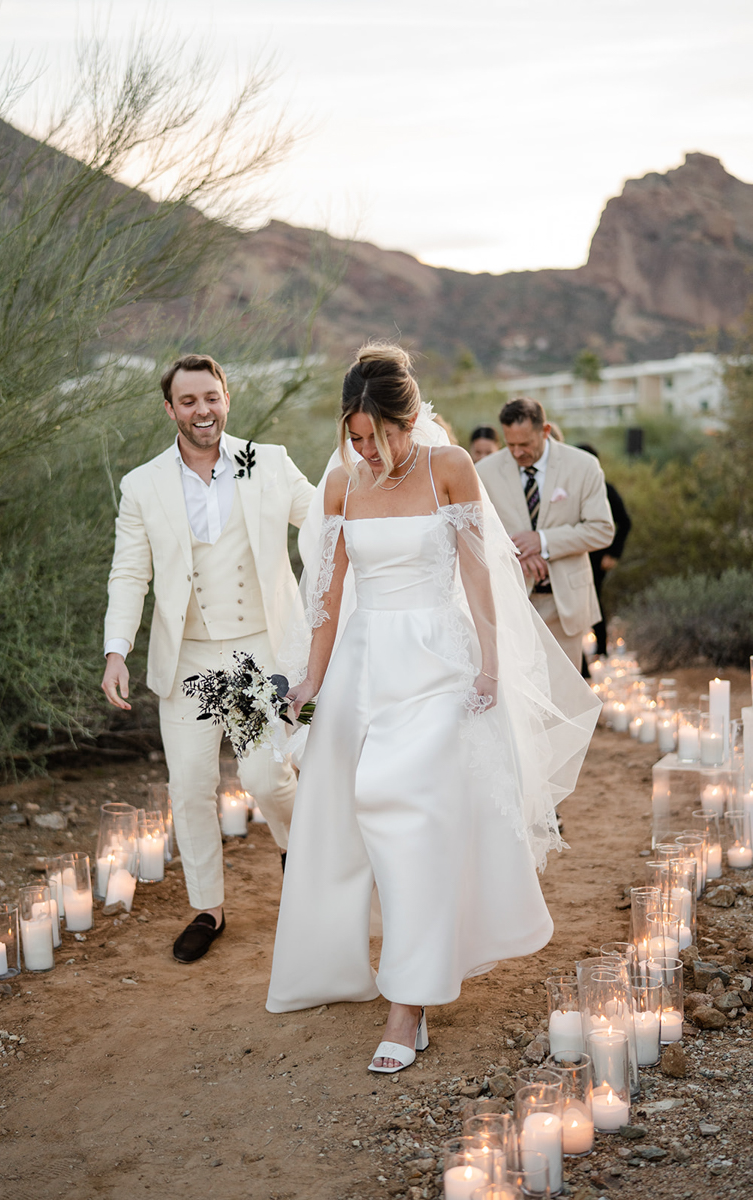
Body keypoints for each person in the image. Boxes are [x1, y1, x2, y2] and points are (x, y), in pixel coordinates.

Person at [266, 345, 600, 1073]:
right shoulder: (340, 486)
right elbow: (325, 597)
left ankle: (408, 1000)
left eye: (377, 437)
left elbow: (480, 575)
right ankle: (386, 965)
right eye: (353, 438)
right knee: (359, 817)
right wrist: (310, 681)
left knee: (409, 809)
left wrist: (490, 664)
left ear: (409, 420)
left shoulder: (449, 470)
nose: (365, 451)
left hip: (439, 666)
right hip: (363, 668)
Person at [101, 353, 315, 962]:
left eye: (212, 398)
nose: (203, 411)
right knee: (190, 785)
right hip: (191, 657)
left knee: (262, 776)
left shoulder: (266, 463)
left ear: (227, 399)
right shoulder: (144, 484)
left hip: (255, 654)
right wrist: (117, 649)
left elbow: (325, 521)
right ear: (170, 409)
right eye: (189, 401)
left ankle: (300, 850)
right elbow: (128, 572)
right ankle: (208, 908)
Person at [476, 398, 614, 668]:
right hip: (510, 601)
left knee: (565, 701)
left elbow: (602, 529)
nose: (516, 453)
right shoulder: (484, 471)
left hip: (565, 604)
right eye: (510, 444)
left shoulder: (584, 466)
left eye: (525, 444)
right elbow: (476, 532)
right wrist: (515, 551)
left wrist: (543, 541)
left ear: (545, 431)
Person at [576, 444, 632, 661]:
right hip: (573, 555)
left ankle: (600, 648)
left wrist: (613, 554)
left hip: (598, 557)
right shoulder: (569, 489)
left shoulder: (606, 489)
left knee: (595, 599)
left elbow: (625, 522)